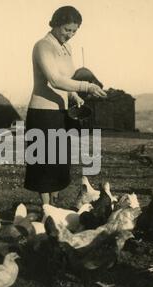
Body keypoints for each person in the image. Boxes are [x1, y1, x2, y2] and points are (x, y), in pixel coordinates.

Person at [24, 6, 107, 206]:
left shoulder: (66, 48)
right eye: (66, 30)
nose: (70, 35)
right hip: (43, 113)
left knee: (59, 162)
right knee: (44, 162)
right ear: (56, 24)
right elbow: (54, 79)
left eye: (74, 31)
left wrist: (74, 95)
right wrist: (85, 86)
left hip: (62, 112)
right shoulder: (43, 46)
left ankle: (54, 204)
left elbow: (65, 79)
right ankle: (46, 209)